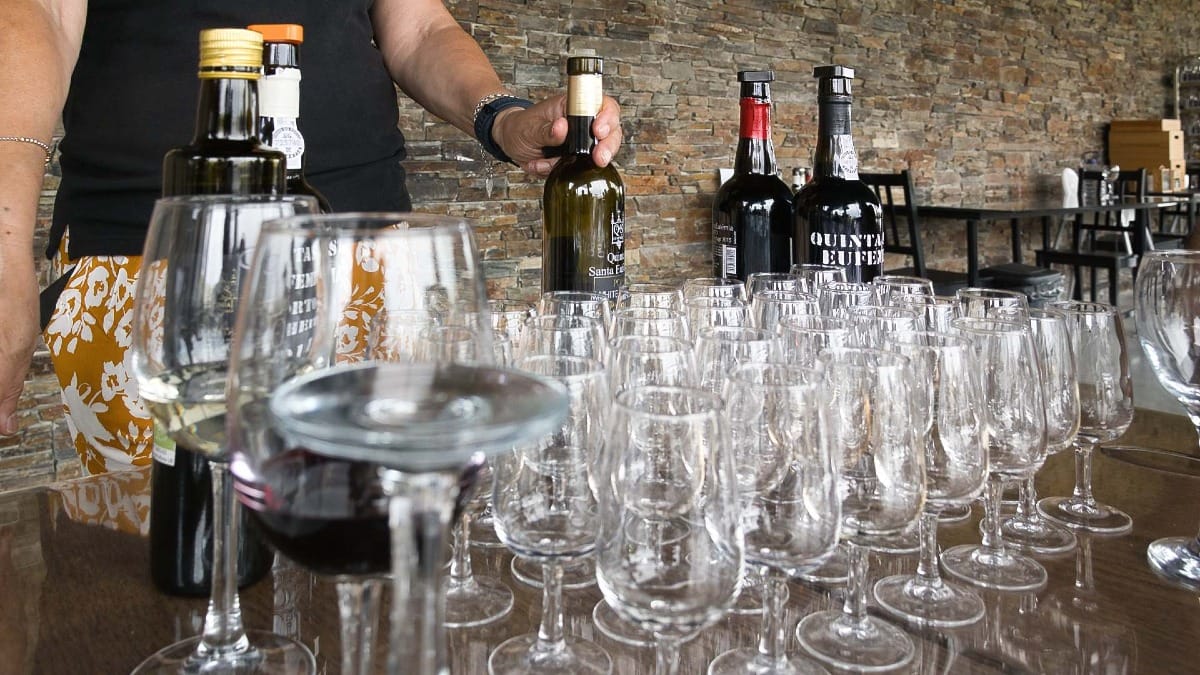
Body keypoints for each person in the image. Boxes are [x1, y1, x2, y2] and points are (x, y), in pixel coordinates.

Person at [0, 0, 624, 473]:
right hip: (160, 258)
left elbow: (419, 27)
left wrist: (502, 119)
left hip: (371, 263)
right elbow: (38, 13)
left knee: (367, 538)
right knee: (178, 556)